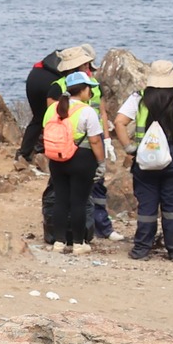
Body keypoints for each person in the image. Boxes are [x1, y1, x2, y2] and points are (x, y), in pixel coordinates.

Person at [118, 58, 173, 261]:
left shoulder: (139, 98)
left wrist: (129, 147)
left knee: (147, 205)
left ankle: (142, 249)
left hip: (145, 155)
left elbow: (120, 122)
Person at [41, 70, 106, 253]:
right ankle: (78, 243)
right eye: (89, 89)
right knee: (79, 201)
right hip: (82, 159)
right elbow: (95, 140)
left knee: (60, 200)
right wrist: (101, 162)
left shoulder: (53, 109)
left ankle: (59, 242)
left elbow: (46, 129)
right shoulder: (87, 111)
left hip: (57, 158)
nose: (90, 92)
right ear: (83, 90)